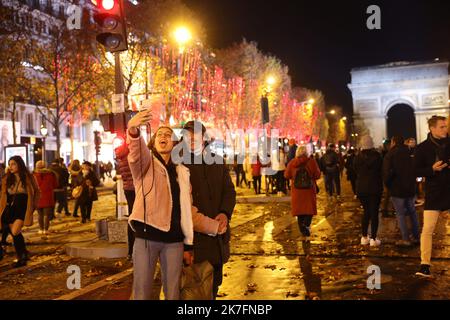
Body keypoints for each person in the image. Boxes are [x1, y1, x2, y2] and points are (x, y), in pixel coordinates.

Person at [127, 111, 224, 300]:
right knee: (142, 292)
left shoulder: (182, 172)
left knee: (173, 294)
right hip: (147, 237)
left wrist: (214, 226)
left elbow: (187, 212)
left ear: (174, 143)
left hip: (174, 242)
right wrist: (133, 131)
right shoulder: (146, 165)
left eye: (168, 135)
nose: (164, 137)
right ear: (153, 142)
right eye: (160, 135)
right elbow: (136, 154)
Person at [178, 120, 236, 299]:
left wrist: (225, 213)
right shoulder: (179, 164)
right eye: (187, 135)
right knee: (196, 290)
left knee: (214, 286)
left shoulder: (217, 161)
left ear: (203, 137)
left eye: (195, 134)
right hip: (195, 240)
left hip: (218, 239)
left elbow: (229, 191)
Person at [413, 115, 450, 277]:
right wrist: (431, 170)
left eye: (445, 126)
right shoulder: (422, 148)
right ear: (432, 128)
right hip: (434, 193)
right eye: (441, 126)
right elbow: (415, 171)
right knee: (427, 230)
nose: (445, 129)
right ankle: (424, 265)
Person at [0, 156, 40, 267]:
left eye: (13, 164)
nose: (11, 166)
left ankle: (21, 258)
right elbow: (3, 194)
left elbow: (37, 191)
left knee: (15, 231)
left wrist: (33, 206)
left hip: (23, 207)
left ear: (19, 164)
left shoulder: (28, 177)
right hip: (11, 208)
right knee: (15, 233)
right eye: (10, 164)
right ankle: (23, 253)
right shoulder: (7, 178)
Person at [383, 136, 420, 246]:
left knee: (400, 214)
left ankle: (405, 239)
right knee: (412, 213)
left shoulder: (390, 154)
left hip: (397, 189)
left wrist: (389, 185)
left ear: (393, 142)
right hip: (410, 188)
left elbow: (386, 174)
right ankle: (416, 237)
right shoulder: (410, 152)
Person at [285, 145, 321, 241]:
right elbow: (317, 175)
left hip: (297, 191)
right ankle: (306, 225)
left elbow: (286, 174)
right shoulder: (312, 162)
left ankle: (303, 231)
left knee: (299, 212)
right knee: (309, 209)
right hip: (309, 191)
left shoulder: (292, 162)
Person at [354, 135, 383, 247]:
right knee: (374, 213)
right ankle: (373, 238)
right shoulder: (377, 156)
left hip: (361, 188)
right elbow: (381, 171)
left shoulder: (357, 157)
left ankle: (364, 237)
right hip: (374, 188)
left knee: (366, 212)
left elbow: (355, 170)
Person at [114, 142, 136, 260]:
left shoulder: (121, 156)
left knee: (131, 218)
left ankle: (130, 251)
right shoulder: (131, 155)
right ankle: (134, 251)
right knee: (136, 218)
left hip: (128, 188)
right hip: (135, 188)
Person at [33, 161, 58, 235]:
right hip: (48, 196)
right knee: (46, 215)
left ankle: (40, 229)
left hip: (37, 196)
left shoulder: (33, 174)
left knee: (40, 214)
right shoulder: (51, 174)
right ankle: (45, 229)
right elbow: (55, 184)